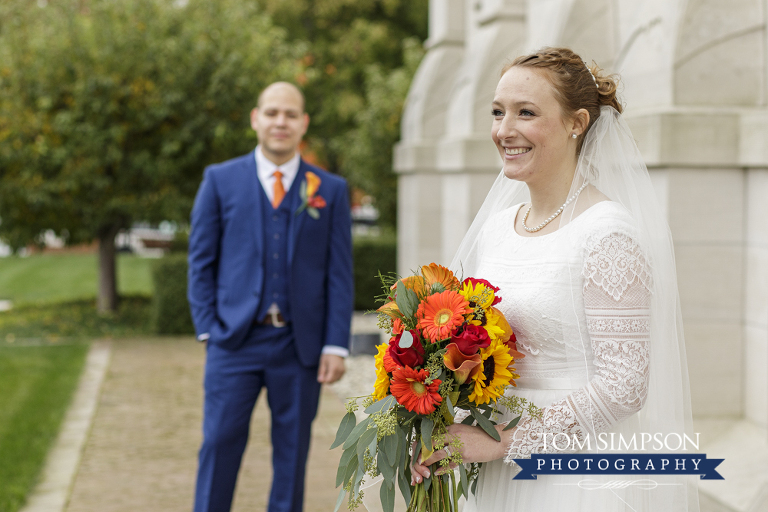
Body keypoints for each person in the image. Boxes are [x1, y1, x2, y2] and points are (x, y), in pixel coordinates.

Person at [411, 48, 699, 511]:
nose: (505, 130)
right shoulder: (498, 227)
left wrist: (505, 441)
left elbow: (625, 383)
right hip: (495, 464)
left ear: (576, 123)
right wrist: (435, 424)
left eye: (526, 113)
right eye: (498, 112)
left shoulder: (607, 233)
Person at [187, 81, 353, 512]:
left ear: (303, 124)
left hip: (299, 346)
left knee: (292, 452)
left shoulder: (329, 189)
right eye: (273, 113)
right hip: (233, 341)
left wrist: (335, 343)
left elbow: (338, 273)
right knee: (219, 442)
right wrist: (208, 329)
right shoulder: (220, 180)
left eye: (290, 114)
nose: (281, 122)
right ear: (256, 118)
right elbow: (200, 262)